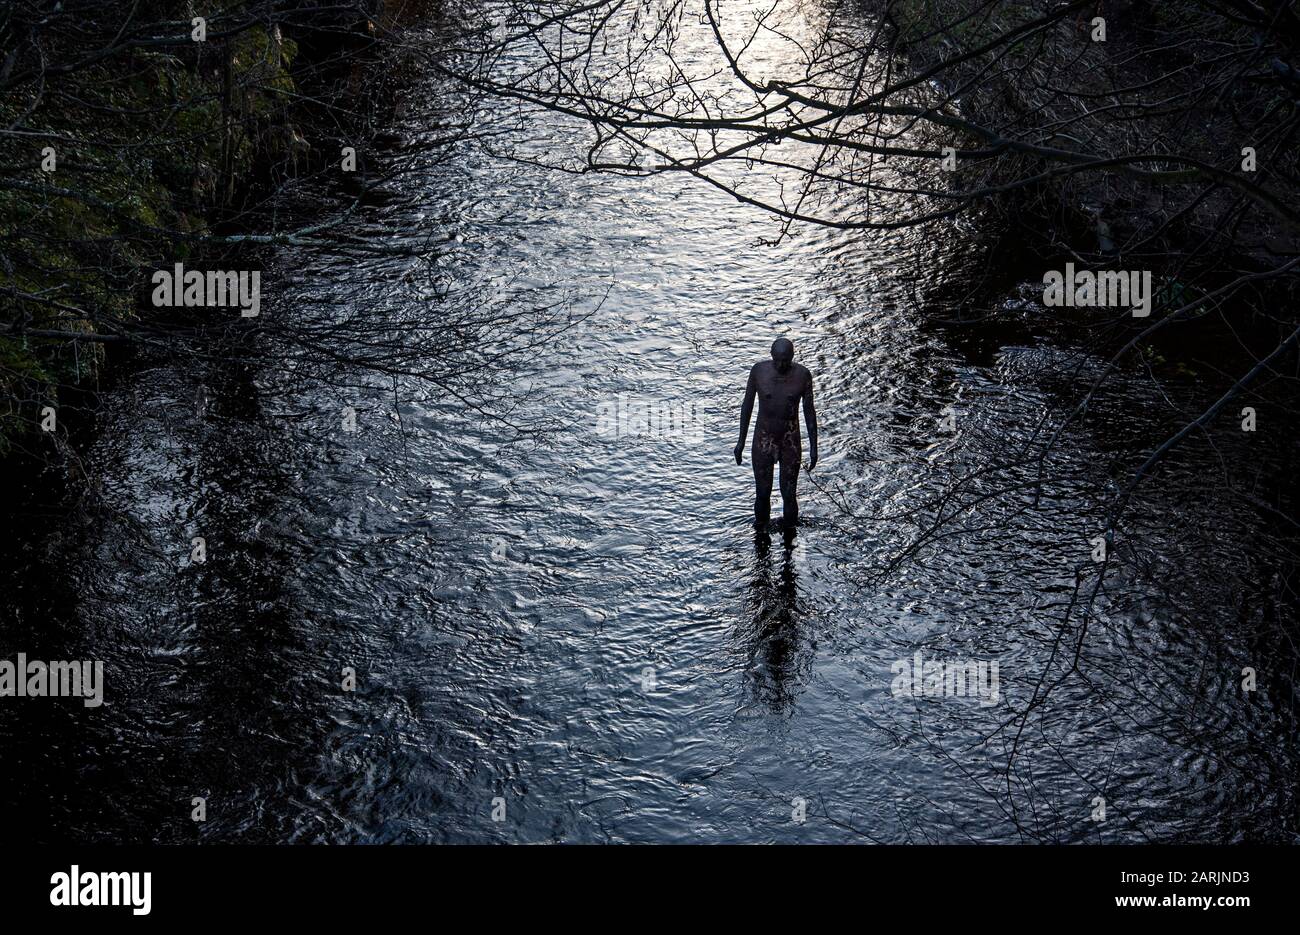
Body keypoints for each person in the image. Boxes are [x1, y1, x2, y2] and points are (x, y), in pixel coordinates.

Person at [734, 337, 818, 529]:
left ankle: (790, 539)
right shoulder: (759, 371)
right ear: (771, 357)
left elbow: (809, 412)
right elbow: (747, 406)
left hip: (790, 441)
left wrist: (814, 447)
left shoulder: (802, 375)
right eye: (778, 360)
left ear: (792, 357)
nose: (781, 365)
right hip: (764, 439)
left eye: (786, 360)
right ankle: (761, 534)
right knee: (762, 492)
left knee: (789, 493)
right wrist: (741, 442)